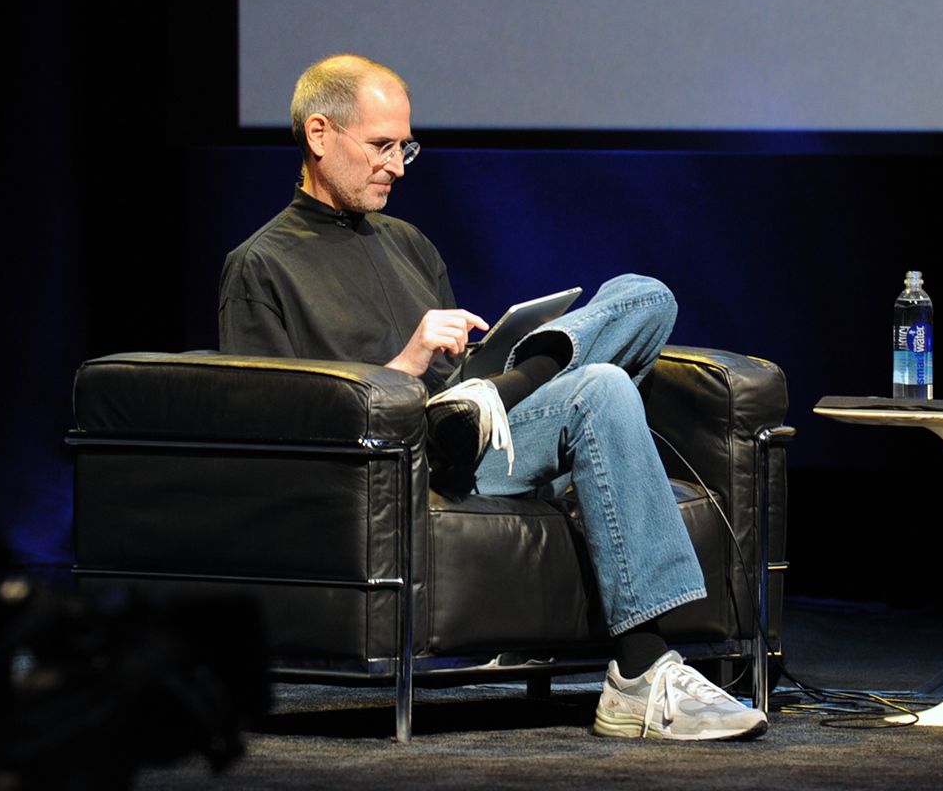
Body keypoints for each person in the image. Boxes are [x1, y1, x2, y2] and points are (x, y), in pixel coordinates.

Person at [219, 54, 767, 741]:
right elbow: (275, 426)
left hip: (483, 431)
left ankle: (508, 384)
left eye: (406, 147)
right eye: (382, 146)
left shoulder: (409, 244)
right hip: (402, 457)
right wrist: (405, 368)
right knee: (598, 385)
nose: (398, 165)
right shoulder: (260, 265)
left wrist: (481, 373)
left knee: (646, 295)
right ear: (320, 134)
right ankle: (641, 674)